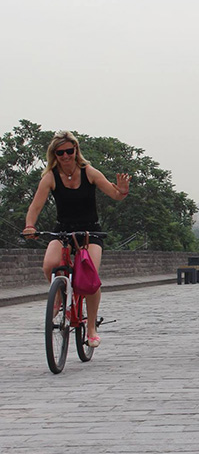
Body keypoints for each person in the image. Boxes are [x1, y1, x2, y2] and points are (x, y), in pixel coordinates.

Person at [23, 130, 131, 348]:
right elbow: (36, 206)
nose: (65, 156)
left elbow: (115, 194)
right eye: (60, 152)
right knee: (49, 265)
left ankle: (91, 327)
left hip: (90, 231)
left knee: (89, 276)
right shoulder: (50, 177)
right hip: (63, 230)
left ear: (76, 151)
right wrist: (29, 226)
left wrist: (122, 191)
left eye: (69, 151)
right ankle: (60, 300)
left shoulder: (89, 172)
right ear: (54, 154)